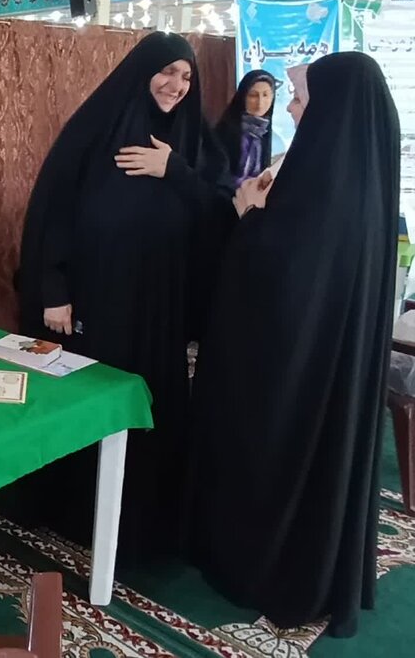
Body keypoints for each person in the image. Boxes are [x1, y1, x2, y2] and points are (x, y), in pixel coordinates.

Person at [187, 53, 399, 637]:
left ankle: (255, 562)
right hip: (327, 365)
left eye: (302, 99)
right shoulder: (361, 175)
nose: (294, 109)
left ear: (332, 108)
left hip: (290, 374)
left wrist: (247, 216)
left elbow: (279, 276)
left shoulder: (322, 181)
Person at [15, 32, 232, 558]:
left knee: (148, 404)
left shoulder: (195, 144)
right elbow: (53, 212)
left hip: (160, 309)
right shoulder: (96, 131)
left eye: (187, 76)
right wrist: (53, 290)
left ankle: (140, 520)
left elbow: (220, 215)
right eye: (168, 71)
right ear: (141, 72)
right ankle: (78, 511)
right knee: (92, 402)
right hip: (99, 301)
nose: (177, 85)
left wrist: (173, 171)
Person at [215, 70, 276, 187]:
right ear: (243, 97)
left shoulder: (265, 131)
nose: (260, 102)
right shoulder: (225, 131)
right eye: (253, 95)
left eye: (265, 95)